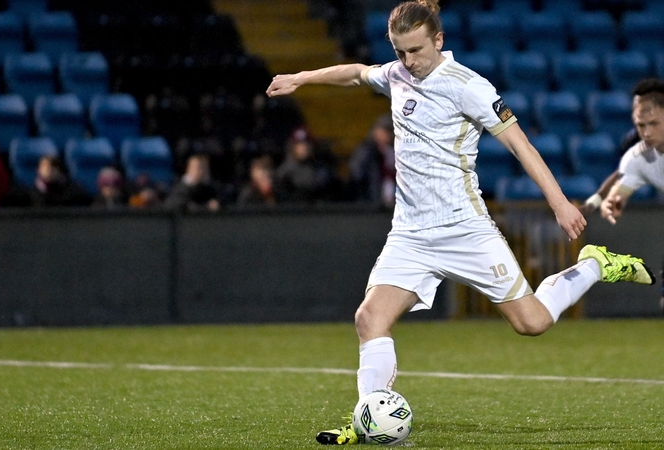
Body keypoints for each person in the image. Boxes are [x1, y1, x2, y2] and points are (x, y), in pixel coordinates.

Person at [265, 0, 656, 445]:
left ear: (439, 40)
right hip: (410, 234)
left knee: (532, 322)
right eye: (400, 52)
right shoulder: (397, 74)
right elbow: (356, 72)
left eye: (416, 51)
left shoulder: (469, 87)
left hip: (464, 229)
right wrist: (301, 77)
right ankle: (369, 421)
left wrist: (559, 202)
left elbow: (521, 145)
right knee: (369, 319)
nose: (408, 62)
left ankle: (594, 265)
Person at [595, 78, 664, 311]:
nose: (646, 132)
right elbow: (620, 191)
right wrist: (611, 203)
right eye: (641, 125)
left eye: (653, 124)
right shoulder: (638, 157)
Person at [275, 127, 335, 204]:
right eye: (300, 144)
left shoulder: (321, 168)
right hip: (295, 212)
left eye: (307, 144)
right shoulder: (284, 171)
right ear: (293, 147)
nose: (304, 148)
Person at [347, 113, 396, 207]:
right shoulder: (366, 149)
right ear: (376, 131)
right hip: (370, 200)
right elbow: (356, 172)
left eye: (390, 131)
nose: (387, 135)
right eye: (384, 131)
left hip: (391, 198)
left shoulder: (393, 150)